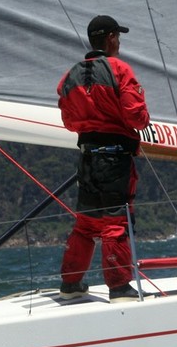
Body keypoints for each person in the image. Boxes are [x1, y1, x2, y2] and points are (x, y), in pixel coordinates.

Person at [57, 15, 150, 302]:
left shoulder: (69, 76)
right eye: (118, 37)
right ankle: (120, 286)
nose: (119, 43)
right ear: (110, 38)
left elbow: (70, 123)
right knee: (115, 222)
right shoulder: (119, 70)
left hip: (87, 159)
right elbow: (138, 117)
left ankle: (71, 284)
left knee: (85, 223)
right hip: (114, 160)